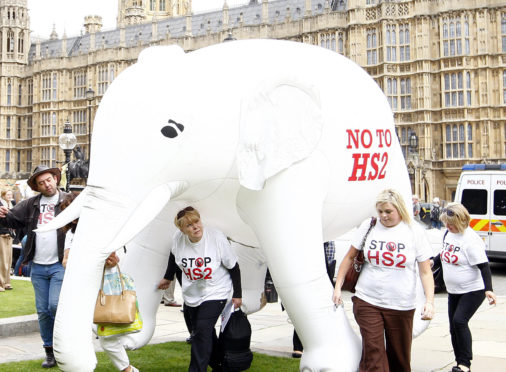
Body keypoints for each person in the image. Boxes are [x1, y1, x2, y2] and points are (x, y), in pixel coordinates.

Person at [333, 189, 435, 372]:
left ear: (400, 209)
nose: (384, 216)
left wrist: (429, 302)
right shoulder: (369, 226)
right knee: (374, 355)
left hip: (401, 305)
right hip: (367, 300)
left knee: (399, 360)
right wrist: (338, 286)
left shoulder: (414, 231)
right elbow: (349, 257)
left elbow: (426, 271)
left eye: (388, 211)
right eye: (380, 212)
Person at [60, 193, 139, 372]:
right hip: (83, 287)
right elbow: (66, 262)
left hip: (106, 287)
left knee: (108, 335)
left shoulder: (104, 229)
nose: (73, 218)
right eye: (68, 212)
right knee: (83, 331)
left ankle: (127, 369)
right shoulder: (71, 235)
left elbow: (112, 260)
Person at [157, 206, 242, 372]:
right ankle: (222, 365)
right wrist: (168, 278)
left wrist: (238, 294)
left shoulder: (216, 238)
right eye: (189, 225)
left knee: (201, 333)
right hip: (192, 294)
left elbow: (233, 266)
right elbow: (174, 257)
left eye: (196, 222)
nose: (195, 227)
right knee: (203, 333)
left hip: (216, 291)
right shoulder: (178, 239)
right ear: (182, 230)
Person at [0, 165, 68, 368]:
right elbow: (13, 219)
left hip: (59, 264)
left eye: (49, 179)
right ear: (37, 187)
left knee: (54, 305)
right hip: (38, 265)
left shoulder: (68, 200)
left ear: (56, 178)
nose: (47, 184)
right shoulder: (31, 204)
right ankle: (50, 351)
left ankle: (63, 344)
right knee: (43, 311)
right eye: (41, 183)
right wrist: (3, 213)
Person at [435, 203, 497, 372]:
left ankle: (465, 364)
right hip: (454, 290)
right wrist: (433, 261)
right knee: (453, 327)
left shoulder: (470, 240)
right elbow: (444, 253)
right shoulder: (448, 233)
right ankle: (459, 362)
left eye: (451, 224)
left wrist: (489, 289)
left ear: (461, 221)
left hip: (473, 290)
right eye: (446, 223)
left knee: (459, 321)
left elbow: (484, 266)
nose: (448, 227)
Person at [292, 241, 336, 358]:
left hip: (320, 275)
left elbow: (330, 259)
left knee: (319, 311)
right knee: (302, 309)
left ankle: (315, 343)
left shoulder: (327, 238)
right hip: (304, 273)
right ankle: (299, 346)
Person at [0, 189, 15, 291]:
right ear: (3, 195)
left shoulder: (12, 204)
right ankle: (1, 283)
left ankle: (6, 282)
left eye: (11, 194)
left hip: (10, 235)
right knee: (2, 260)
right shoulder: (0, 204)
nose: (10, 196)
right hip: (1, 234)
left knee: (8, 260)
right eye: (8, 194)